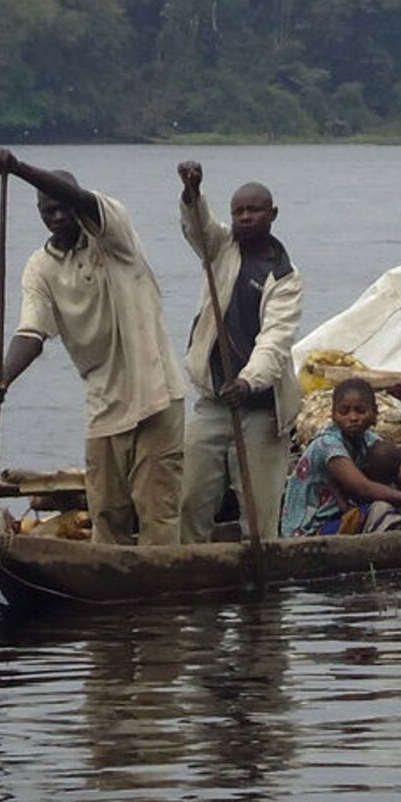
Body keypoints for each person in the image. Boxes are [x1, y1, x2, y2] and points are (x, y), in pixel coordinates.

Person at [0, 148, 185, 546]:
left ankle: (160, 578)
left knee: (158, 509)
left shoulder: (113, 235)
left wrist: (17, 169)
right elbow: (32, 332)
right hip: (104, 402)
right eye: (48, 210)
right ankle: (108, 576)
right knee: (106, 512)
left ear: (76, 204)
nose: (58, 216)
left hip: (155, 394)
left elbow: (83, 200)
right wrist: (3, 378)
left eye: (64, 207)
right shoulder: (40, 267)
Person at [176, 161, 302, 543]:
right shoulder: (220, 248)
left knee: (259, 513)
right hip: (214, 401)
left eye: (254, 210)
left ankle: (260, 572)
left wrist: (247, 382)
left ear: (272, 215)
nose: (245, 217)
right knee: (191, 499)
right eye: (239, 211)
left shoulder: (284, 276)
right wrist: (192, 193)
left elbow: (274, 341)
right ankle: (192, 565)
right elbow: (197, 227)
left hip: (261, 408)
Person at [280, 377, 401, 537]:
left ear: (374, 414)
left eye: (360, 411)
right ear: (333, 415)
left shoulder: (367, 439)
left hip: (340, 514)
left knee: (395, 483)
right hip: (310, 529)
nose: (353, 417)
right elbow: (362, 488)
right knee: (381, 509)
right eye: (344, 411)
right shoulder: (327, 444)